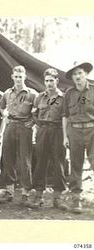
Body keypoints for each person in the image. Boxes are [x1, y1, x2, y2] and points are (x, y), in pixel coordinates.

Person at [0, 65, 38, 207]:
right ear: (12, 77)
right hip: (11, 126)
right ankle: (9, 191)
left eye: (21, 76)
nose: (18, 79)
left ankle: (25, 193)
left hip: (25, 128)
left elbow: (38, 111)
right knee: (8, 157)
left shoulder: (32, 94)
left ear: (25, 77)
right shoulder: (7, 93)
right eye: (16, 76)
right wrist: (5, 116)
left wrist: (32, 121)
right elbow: (1, 106)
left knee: (25, 160)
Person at [31, 68, 68, 209]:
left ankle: (58, 198)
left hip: (58, 130)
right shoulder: (39, 97)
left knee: (59, 162)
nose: (49, 83)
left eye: (51, 80)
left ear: (57, 81)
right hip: (43, 131)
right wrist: (40, 126)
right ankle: (38, 196)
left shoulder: (63, 98)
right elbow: (34, 113)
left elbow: (66, 116)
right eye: (46, 81)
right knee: (40, 161)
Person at [62, 61, 94, 213]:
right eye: (74, 74)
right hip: (74, 132)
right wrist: (65, 137)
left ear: (86, 73)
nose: (77, 77)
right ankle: (76, 199)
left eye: (80, 73)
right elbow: (65, 116)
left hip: (92, 131)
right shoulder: (69, 93)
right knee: (76, 164)